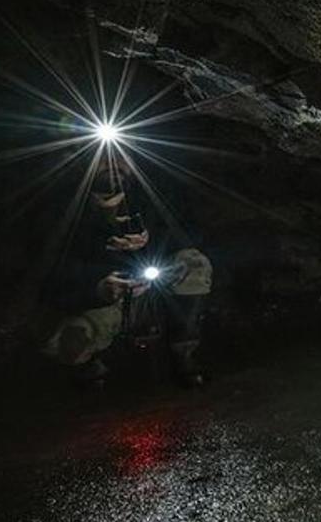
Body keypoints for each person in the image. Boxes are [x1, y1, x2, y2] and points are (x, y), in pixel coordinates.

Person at [42, 156, 212, 387]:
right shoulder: (63, 208)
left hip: (157, 286)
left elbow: (192, 231)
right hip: (110, 301)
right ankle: (89, 367)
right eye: (101, 159)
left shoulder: (150, 194)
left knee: (194, 263)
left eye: (120, 158)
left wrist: (152, 238)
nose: (113, 166)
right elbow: (50, 274)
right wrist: (98, 286)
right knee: (69, 341)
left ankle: (184, 351)